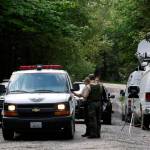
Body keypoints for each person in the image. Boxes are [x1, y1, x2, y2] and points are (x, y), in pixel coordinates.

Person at [87, 74, 107, 138]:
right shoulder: (101, 86)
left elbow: (86, 95)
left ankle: (93, 134)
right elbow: (104, 96)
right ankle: (98, 134)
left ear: (90, 79)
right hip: (99, 104)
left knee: (93, 119)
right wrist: (103, 103)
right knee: (98, 119)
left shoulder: (89, 86)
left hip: (92, 104)